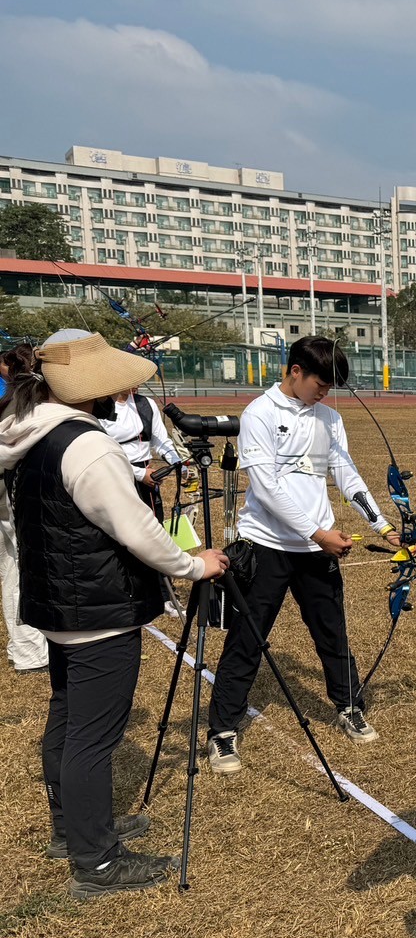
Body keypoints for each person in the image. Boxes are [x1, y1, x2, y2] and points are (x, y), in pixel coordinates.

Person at [0, 329, 229, 899]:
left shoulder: (29, 434)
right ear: (92, 389)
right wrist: (194, 565)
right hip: (97, 609)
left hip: (57, 603)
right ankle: (96, 862)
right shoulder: (87, 445)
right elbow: (138, 532)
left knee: (67, 718)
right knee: (91, 737)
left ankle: (75, 832)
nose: (119, 393)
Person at [203, 335, 401, 775]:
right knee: (246, 641)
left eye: (330, 387)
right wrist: (316, 531)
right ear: (295, 371)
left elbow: (346, 474)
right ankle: (221, 733)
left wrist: (381, 525)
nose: (324, 392)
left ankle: (349, 705)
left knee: (333, 634)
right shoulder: (259, 414)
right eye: (320, 383)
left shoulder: (329, 418)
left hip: (317, 548)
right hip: (267, 546)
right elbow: (267, 487)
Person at [0, 346, 50, 673]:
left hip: (9, 495)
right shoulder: (32, 397)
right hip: (14, 495)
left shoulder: (17, 396)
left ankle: (23, 645)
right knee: (22, 567)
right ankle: (28, 651)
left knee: (11, 564)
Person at [101, 385, 186, 521]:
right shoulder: (99, 408)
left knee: (153, 523)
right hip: (114, 473)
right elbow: (102, 453)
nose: (136, 384)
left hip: (147, 477)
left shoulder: (146, 404)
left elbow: (161, 440)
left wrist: (178, 463)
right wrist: (139, 474)